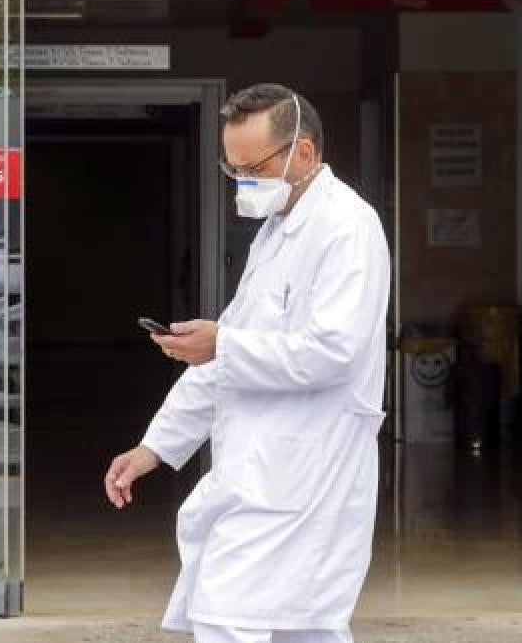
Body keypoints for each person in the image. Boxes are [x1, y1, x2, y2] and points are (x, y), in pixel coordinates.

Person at [103, 83, 391, 643]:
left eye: (252, 167)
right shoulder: (275, 234)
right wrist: (154, 447)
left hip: (308, 470)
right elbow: (228, 354)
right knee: (291, 628)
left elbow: (333, 352)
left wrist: (224, 345)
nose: (241, 182)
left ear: (301, 153)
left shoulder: (347, 230)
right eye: (231, 168)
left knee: (229, 616)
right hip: (262, 468)